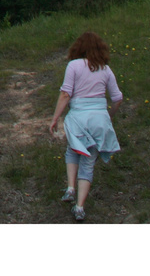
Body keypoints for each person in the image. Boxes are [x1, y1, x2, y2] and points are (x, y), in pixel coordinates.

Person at [49, 31, 123, 222]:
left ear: (78, 48)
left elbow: (66, 94)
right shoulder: (106, 70)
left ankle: (70, 188)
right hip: (99, 119)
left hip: (78, 117)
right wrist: (109, 116)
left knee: (73, 151)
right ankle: (80, 207)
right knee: (89, 161)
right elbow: (117, 98)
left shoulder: (73, 65)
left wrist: (55, 118)